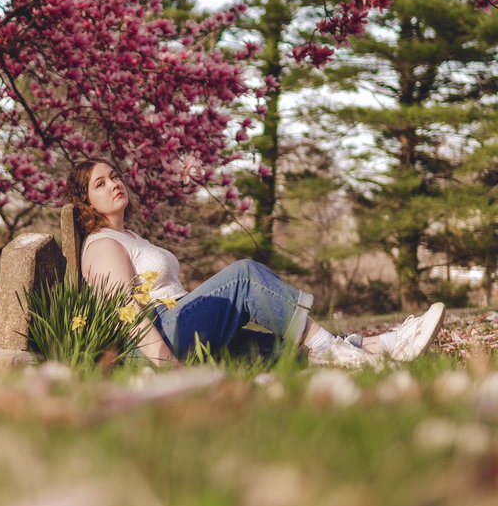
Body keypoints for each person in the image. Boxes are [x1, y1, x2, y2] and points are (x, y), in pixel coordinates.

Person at [66, 158, 445, 368]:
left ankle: (388, 346)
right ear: (86, 202)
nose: (114, 183)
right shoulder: (101, 244)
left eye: (114, 176)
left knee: (288, 352)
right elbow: (125, 310)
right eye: (100, 184)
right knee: (244, 276)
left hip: (182, 328)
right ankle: (335, 347)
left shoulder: (130, 237)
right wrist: (167, 367)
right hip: (163, 339)